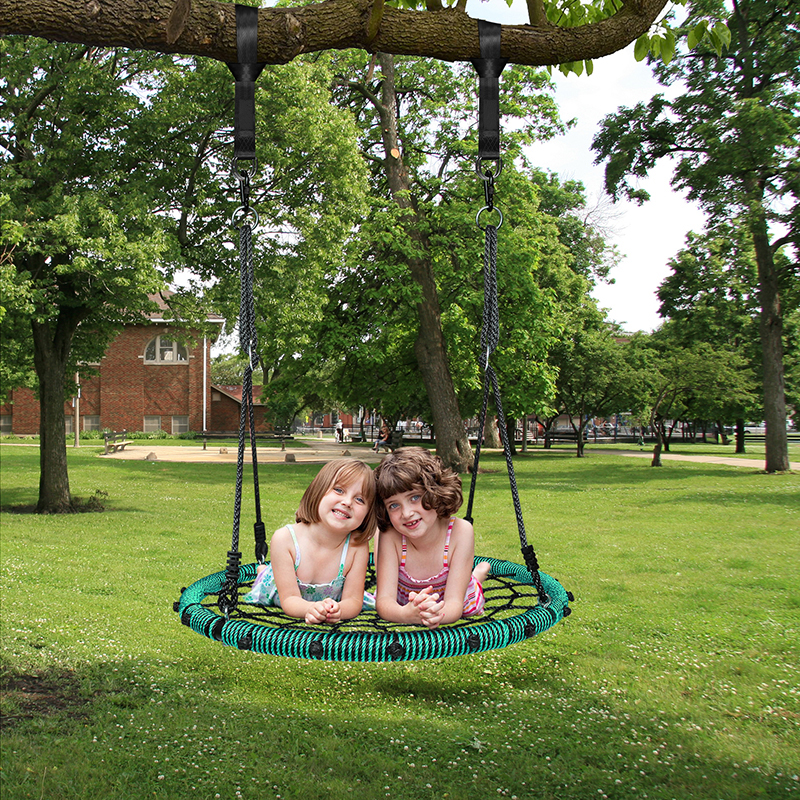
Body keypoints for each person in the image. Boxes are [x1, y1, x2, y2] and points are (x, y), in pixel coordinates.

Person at [243, 459, 377, 624]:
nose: (347, 502)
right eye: (339, 490)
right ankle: (264, 571)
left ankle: (265, 568)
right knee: (266, 574)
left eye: (360, 500)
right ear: (318, 490)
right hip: (284, 590)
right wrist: (309, 609)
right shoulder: (285, 539)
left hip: (330, 600)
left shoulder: (356, 546)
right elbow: (290, 599)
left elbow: (353, 600)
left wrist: (339, 610)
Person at [374, 447, 490, 629]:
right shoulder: (390, 535)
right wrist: (405, 614)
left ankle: (477, 574)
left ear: (435, 491)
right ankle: (477, 572)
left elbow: (454, 606)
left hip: (456, 596)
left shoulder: (460, 531)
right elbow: (384, 602)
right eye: (394, 505)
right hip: (407, 604)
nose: (406, 513)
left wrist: (433, 615)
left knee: (471, 587)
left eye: (414, 497)